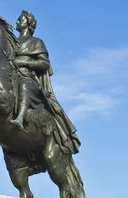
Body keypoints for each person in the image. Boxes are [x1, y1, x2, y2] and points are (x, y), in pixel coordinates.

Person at [11, 10, 80, 155]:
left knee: (24, 85)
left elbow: (44, 64)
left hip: (29, 80)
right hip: (11, 78)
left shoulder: (36, 42)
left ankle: (20, 118)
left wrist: (25, 61)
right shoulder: (11, 42)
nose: (17, 21)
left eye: (20, 19)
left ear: (29, 24)